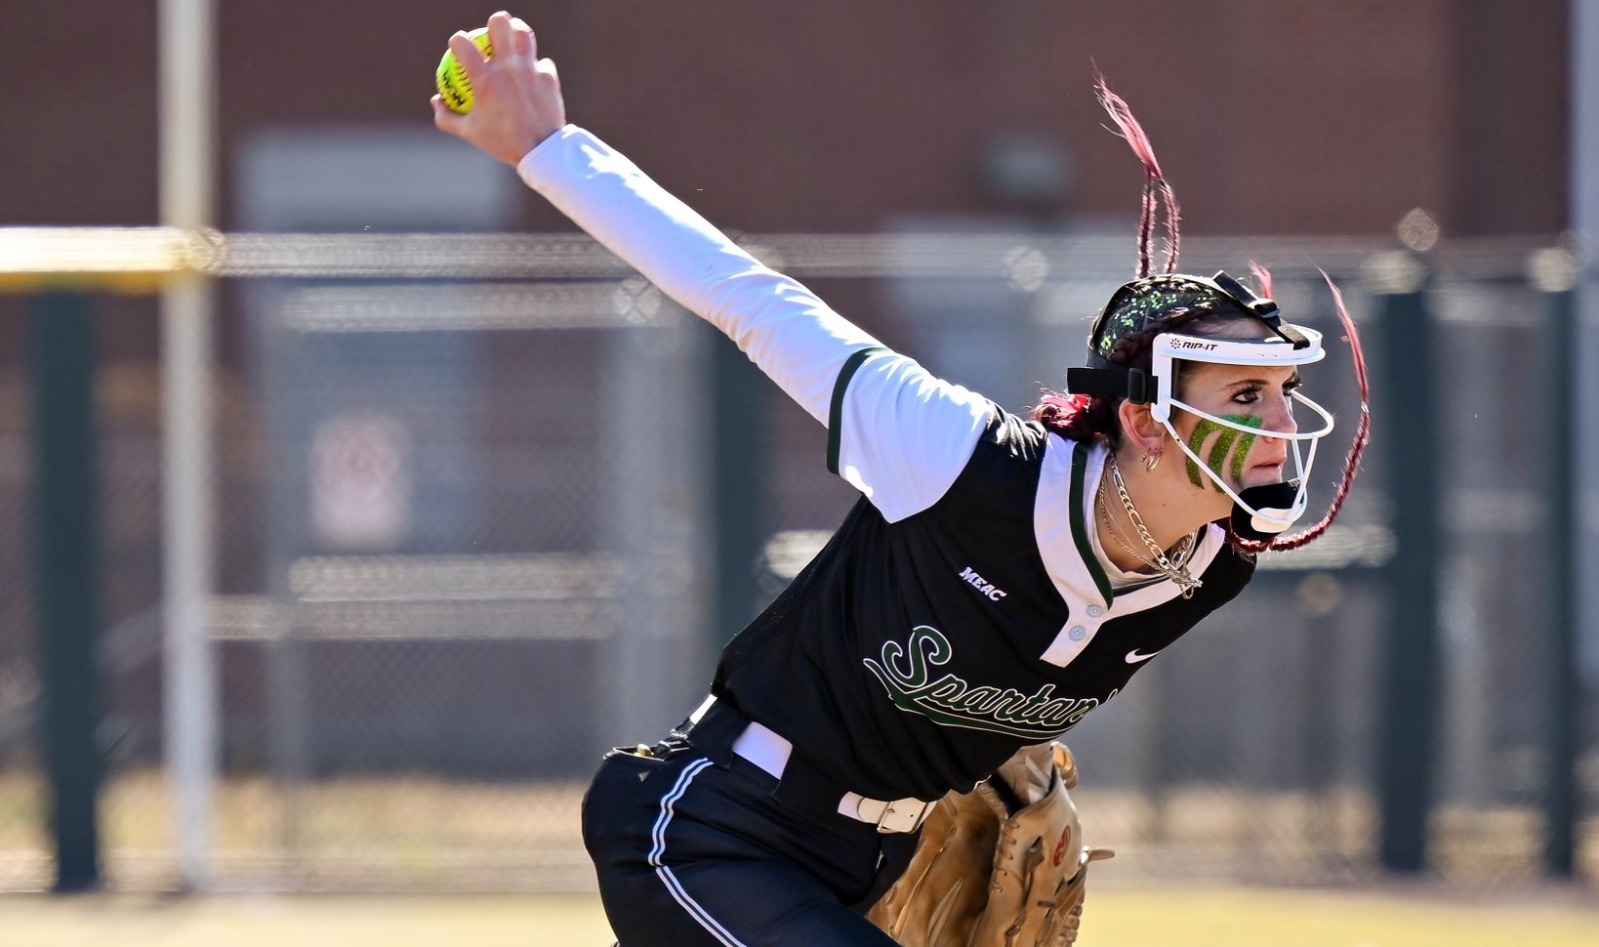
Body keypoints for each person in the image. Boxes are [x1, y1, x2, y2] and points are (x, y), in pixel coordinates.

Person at [433, 13, 1369, 947]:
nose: (1282, 421)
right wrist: (548, 150)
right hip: (718, 831)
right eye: (1245, 391)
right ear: (1140, 419)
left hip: (872, 866)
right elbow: (748, 298)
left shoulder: (1206, 568)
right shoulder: (958, 457)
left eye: (1285, 389)